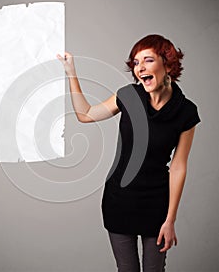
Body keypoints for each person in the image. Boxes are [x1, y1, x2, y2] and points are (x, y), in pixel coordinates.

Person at [57, 34, 201, 272]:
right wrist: (71, 73)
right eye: (135, 63)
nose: (140, 68)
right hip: (119, 200)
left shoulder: (186, 112)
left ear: (168, 63)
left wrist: (170, 219)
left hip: (157, 205)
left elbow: (178, 166)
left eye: (148, 60)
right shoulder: (128, 96)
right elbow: (86, 114)